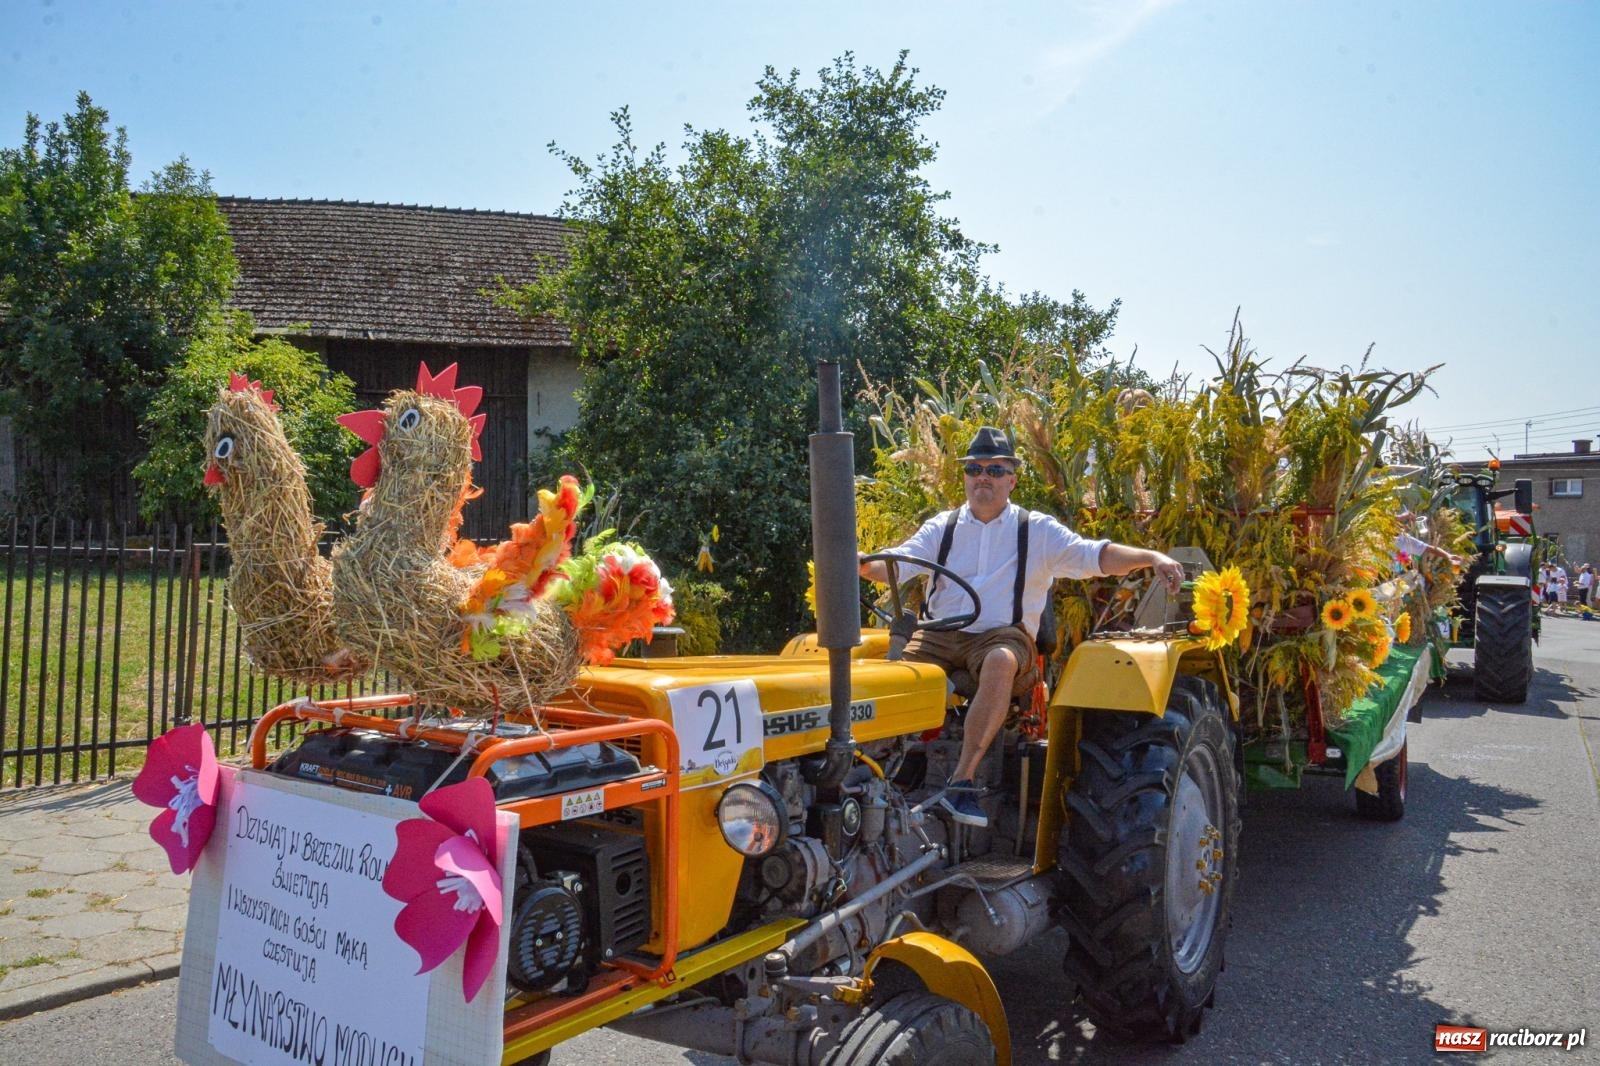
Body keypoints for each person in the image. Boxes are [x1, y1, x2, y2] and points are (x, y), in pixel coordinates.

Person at [858, 426, 1184, 827]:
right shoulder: (941, 527)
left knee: (999, 659)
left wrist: (1151, 557)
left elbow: (1092, 555)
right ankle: (866, 778)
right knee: (887, 675)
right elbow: (895, 562)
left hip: (1002, 636)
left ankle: (962, 782)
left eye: (995, 470)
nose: (983, 477)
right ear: (964, 476)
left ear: (1012, 479)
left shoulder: (1036, 530)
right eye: (975, 468)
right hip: (937, 636)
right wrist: (857, 561)